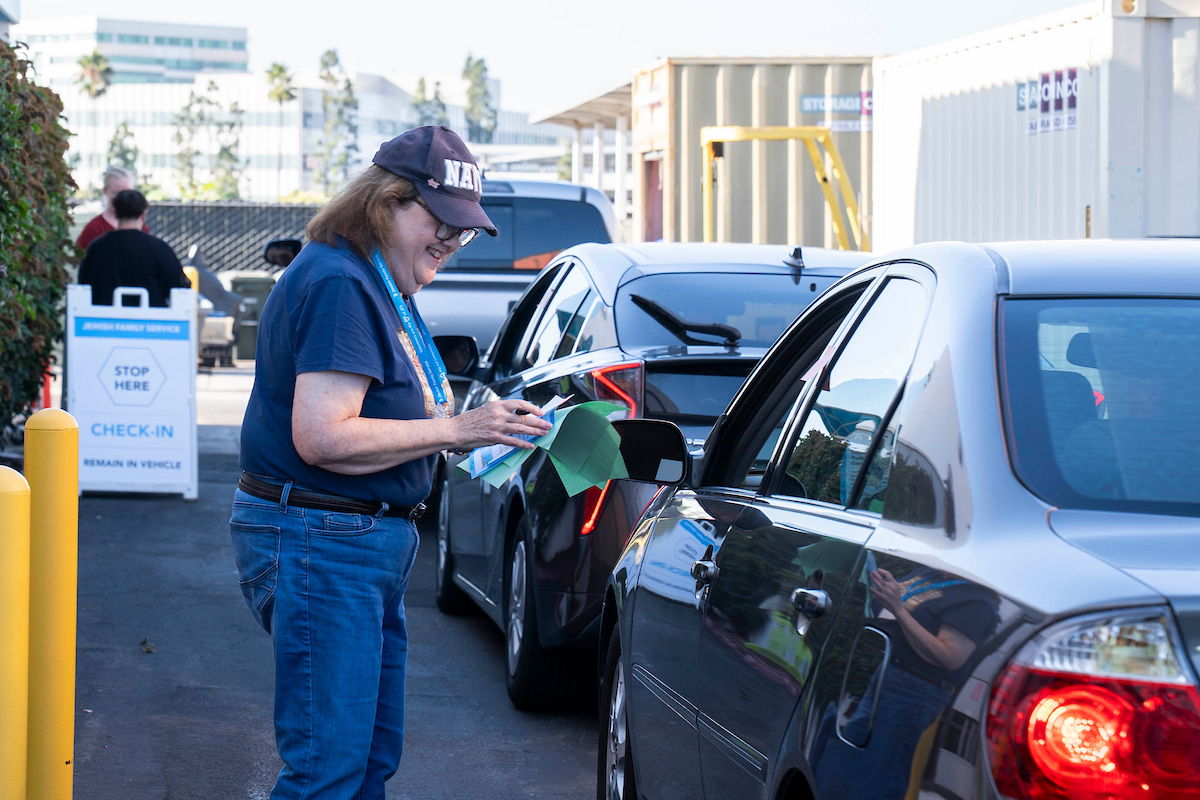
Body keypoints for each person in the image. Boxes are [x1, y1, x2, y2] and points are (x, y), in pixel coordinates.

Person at [230, 125, 552, 799]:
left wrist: (462, 433)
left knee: (364, 764)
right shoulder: (344, 284)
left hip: (345, 542)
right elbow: (322, 438)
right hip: (324, 540)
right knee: (329, 771)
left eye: (462, 232)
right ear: (384, 203)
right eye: (440, 221)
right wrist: (457, 427)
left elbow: (379, 422)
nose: (450, 242)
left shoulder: (373, 280)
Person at [77, 189, 190, 307]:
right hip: (152, 322)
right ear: (143, 215)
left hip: (103, 321)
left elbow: (84, 285)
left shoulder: (96, 248)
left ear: (115, 213)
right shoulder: (160, 249)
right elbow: (180, 289)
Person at [76, 165, 149, 251]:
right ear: (105, 191)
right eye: (116, 193)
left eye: (126, 193)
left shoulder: (141, 228)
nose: (122, 198)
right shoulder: (94, 228)